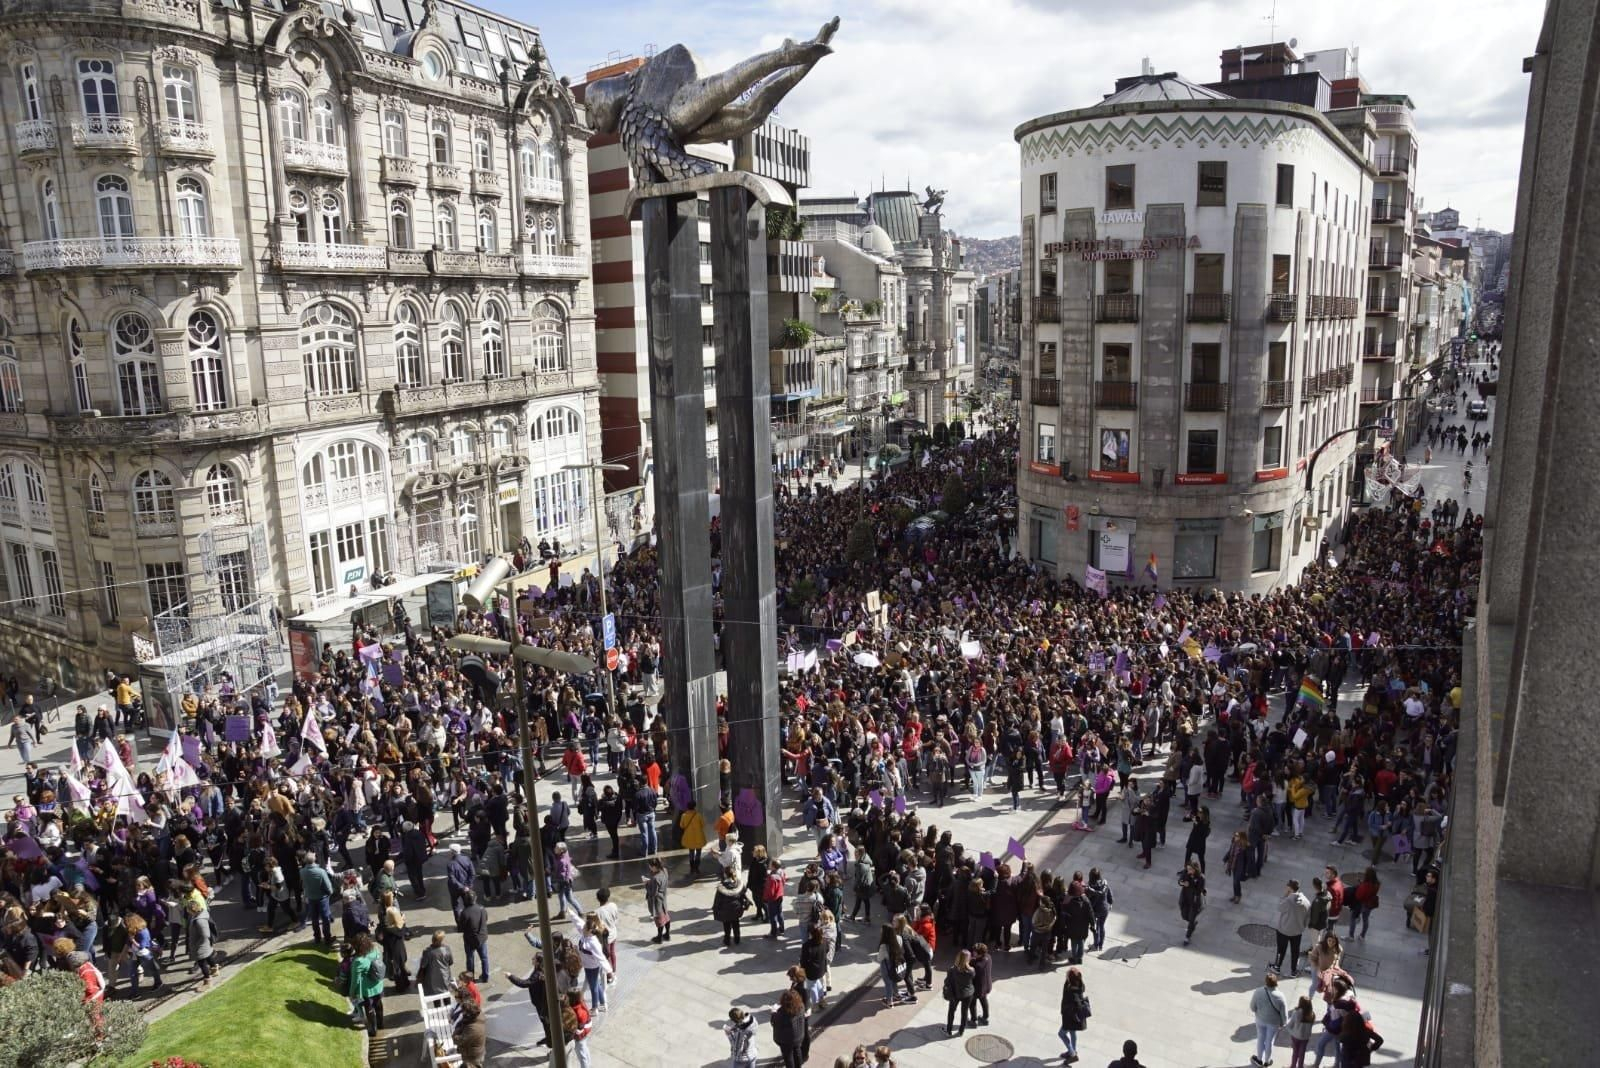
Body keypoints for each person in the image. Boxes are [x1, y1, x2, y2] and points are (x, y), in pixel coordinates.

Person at [349, 931, 386, 1036]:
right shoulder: (375, 950)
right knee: (378, 1004)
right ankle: (381, 1024)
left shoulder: (358, 961)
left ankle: (373, 1030)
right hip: (378, 984)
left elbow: (355, 980)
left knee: (369, 1009)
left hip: (367, 990)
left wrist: (352, 993)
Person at [1272, 880, 1311, 977]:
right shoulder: (1306, 901)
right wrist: (1302, 926)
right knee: (1295, 951)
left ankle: (1277, 967)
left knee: (1281, 950)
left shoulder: (1288, 900)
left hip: (1283, 931)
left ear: (1289, 888)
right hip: (1297, 931)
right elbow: (1308, 917)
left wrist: (1284, 895)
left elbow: (1279, 908)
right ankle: (1294, 970)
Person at [1250, 972, 1288, 1067]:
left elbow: (1252, 1007)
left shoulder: (1258, 992)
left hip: (1260, 1019)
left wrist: (1258, 1012)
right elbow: (1284, 1013)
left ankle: (1259, 1059)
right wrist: (1283, 1023)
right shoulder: (1280, 996)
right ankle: (1267, 1061)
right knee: (1269, 1041)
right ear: (1276, 983)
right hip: (1273, 1023)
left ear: (1266, 982)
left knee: (1260, 1039)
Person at [1057, 965, 1090, 1064]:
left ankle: (1072, 1053)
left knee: (1061, 1034)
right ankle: (1073, 1051)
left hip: (1070, 1017)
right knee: (1072, 1032)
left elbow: (1074, 1003)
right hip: (1075, 1018)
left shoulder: (1070, 990)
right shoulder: (1080, 984)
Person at [942, 948, 977, 1037]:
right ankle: (961, 1031)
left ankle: (949, 1030)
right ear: (968, 959)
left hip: (955, 994)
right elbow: (972, 978)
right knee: (964, 1012)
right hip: (968, 994)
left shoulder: (952, 970)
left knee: (951, 1012)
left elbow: (947, 982)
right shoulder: (971, 970)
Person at [457, 889, 489, 983]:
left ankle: (470, 979)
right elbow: (486, 919)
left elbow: (460, 928)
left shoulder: (465, 912)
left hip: (469, 940)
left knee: (470, 959)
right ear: (476, 898)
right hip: (482, 938)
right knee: (484, 958)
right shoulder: (482, 908)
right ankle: (485, 977)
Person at [771, 988, 810, 1068]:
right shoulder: (801, 1007)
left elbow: (774, 1022)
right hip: (798, 1036)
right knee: (797, 1051)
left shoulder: (781, 1014)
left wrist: (773, 1011)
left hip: (785, 1040)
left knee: (788, 1057)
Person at [714, 868, 749, 947]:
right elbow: (743, 893)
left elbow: (718, 900)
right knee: (736, 924)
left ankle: (727, 940)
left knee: (727, 926)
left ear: (725, 875)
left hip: (725, 910)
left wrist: (716, 909)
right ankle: (737, 939)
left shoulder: (721, 887)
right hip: (737, 908)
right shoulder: (739, 884)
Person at [453, 997, 487, 1068]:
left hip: (473, 1057)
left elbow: (458, 1040)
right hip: (475, 1053)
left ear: (469, 1012)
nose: (462, 1013)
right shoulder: (477, 1016)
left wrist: (455, 1033)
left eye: (464, 1011)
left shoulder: (473, 1028)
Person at [1347, 868, 1380, 940]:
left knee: (1353, 918)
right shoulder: (1377, 884)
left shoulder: (1366, 885)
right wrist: (1362, 883)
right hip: (1370, 905)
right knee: (1365, 919)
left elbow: (1359, 896)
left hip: (1362, 904)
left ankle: (1351, 936)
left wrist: (1360, 887)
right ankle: (1362, 935)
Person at [1085, 868, 1114, 952]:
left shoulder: (1090, 887)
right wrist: (1110, 902)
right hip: (1104, 909)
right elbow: (1109, 894)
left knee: (1095, 927)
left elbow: (1087, 900)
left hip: (1095, 910)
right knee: (1101, 926)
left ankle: (1096, 944)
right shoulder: (1104, 883)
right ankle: (1101, 945)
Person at [418, 930, 454, 996]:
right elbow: (451, 962)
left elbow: (423, 966)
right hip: (445, 978)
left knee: (436, 998)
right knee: (446, 996)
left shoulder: (427, 951)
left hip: (432, 981)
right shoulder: (447, 949)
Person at [1179, 860, 1206, 944]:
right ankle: (1193, 923)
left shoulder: (1201, 878)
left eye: (1190, 869)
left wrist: (1190, 884)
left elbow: (1199, 890)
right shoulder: (1185, 872)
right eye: (1187, 869)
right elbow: (1180, 881)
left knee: (1191, 919)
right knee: (1184, 916)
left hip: (1194, 901)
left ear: (1195, 869)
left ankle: (1187, 936)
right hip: (1185, 899)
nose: (1188, 871)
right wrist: (1181, 883)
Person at [644, 856, 671, 943]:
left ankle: (659, 938)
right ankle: (667, 934)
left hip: (657, 901)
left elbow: (653, 893)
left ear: (654, 866)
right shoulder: (665, 871)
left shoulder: (655, 878)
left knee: (659, 920)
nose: (650, 868)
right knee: (666, 917)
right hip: (663, 897)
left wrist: (647, 884)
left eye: (650, 866)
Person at [1285, 995, 1316, 1068]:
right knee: (1302, 1054)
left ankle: (1293, 1066)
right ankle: (1300, 1066)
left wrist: (1290, 1031)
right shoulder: (1312, 1014)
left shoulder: (1296, 1012)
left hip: (1296, 1036)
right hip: (1305, 1037)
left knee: (1295, 1053)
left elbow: (1289, 1025)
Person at [679, 800, 708, 875]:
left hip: (689, 837)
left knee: (691, 852)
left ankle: (692, 868)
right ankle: (697, 867)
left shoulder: (684, 815)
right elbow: (703, 825)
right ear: (694, 806)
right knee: (698, 853)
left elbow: (682, 826)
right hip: (699, 837)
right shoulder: (698, 815)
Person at [970, 942, 993, 1026]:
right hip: (987, 985)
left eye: (975, 952)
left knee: (972, 1003)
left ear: (979, 954)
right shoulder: (988, 957)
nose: (973, 952)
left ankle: (974, 1020)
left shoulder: (976, 965)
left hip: (977, 988)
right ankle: (985, 1017)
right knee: (984, 1000)